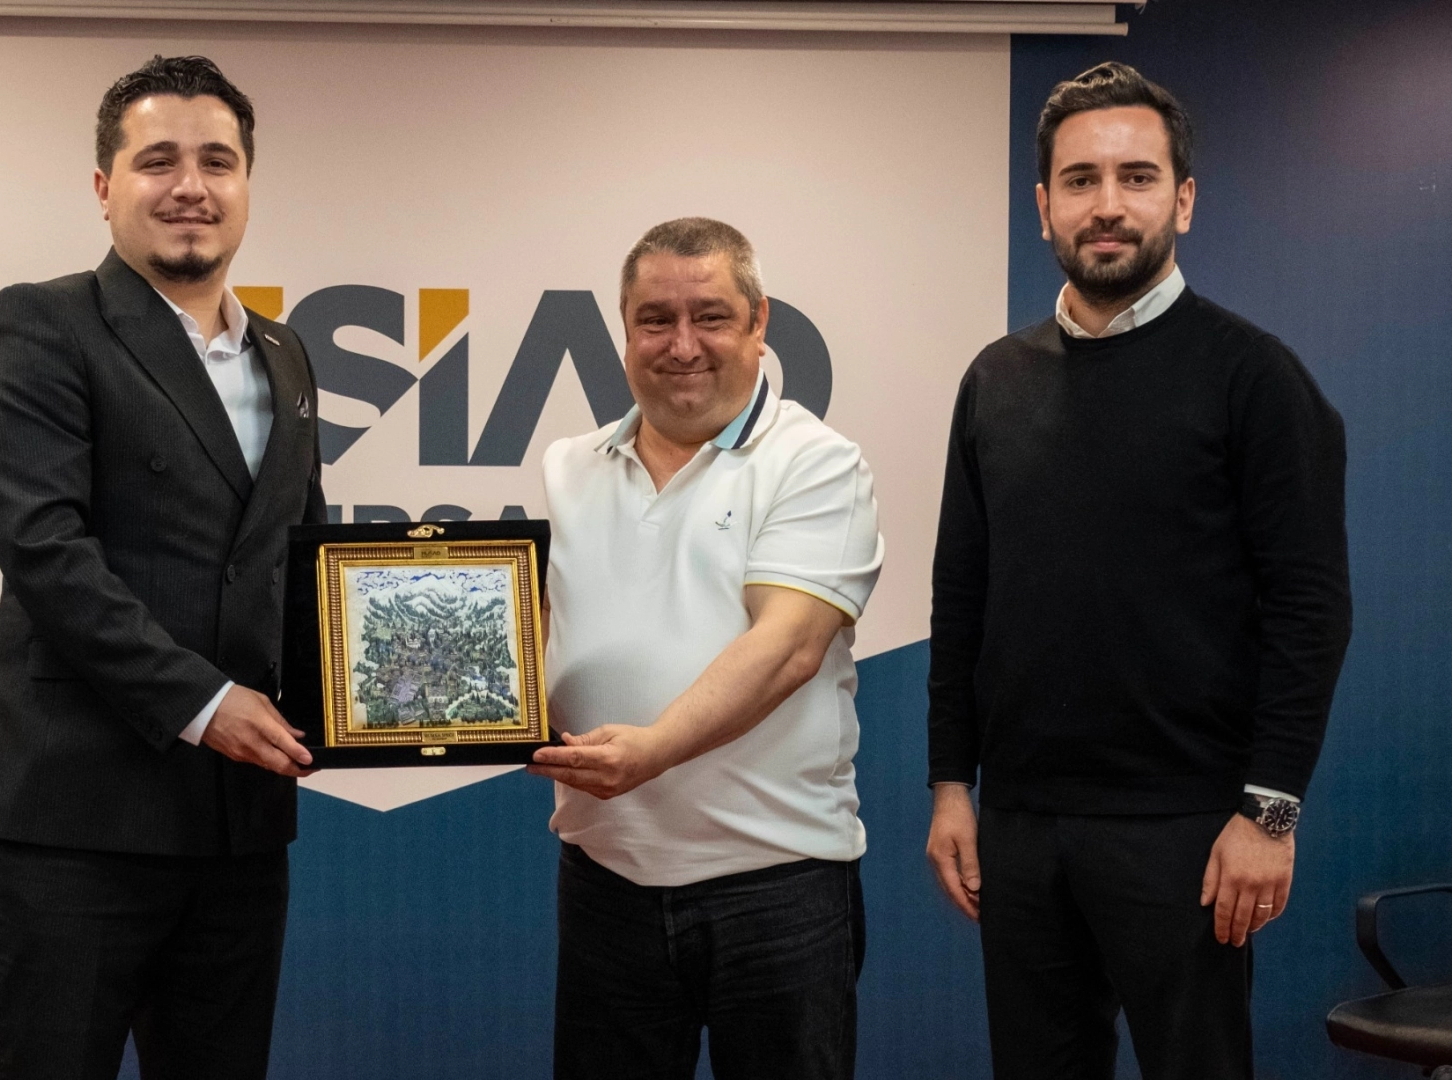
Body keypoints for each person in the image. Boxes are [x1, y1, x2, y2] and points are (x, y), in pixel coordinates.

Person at [924, 62, 1351, 1079]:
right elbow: (961, 598)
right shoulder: (994, 379)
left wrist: (1268, 814)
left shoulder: (1254, 377)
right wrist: (950, 786)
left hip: (1188, 830)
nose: (1106, 205)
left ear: (1183, 200)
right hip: (1022, 824)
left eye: (1136, 177)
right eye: (1079, 180)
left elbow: (1310, 609)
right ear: (1043, 207)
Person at [0, 55, 324, 1080]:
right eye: (158, 160)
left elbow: (298, 565)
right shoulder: (40, 323)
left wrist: (382, 705)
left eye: (217, 161)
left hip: (239, 823)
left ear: (247, 184)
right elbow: (45, 554)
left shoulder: (286, 355)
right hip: (75, 817)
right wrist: (206, 704)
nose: (190, 186)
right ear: (104, 186)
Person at [527, 217, 884, 1080]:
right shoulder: (568, 466)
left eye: (710, 316)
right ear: (623, 331)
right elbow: (526, 637)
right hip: (605, 875)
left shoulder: (815, 463)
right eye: (654, 319)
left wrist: (652, 749)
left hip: (776, 886)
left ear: (759, 322)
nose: (681, 345)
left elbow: (788, 647)